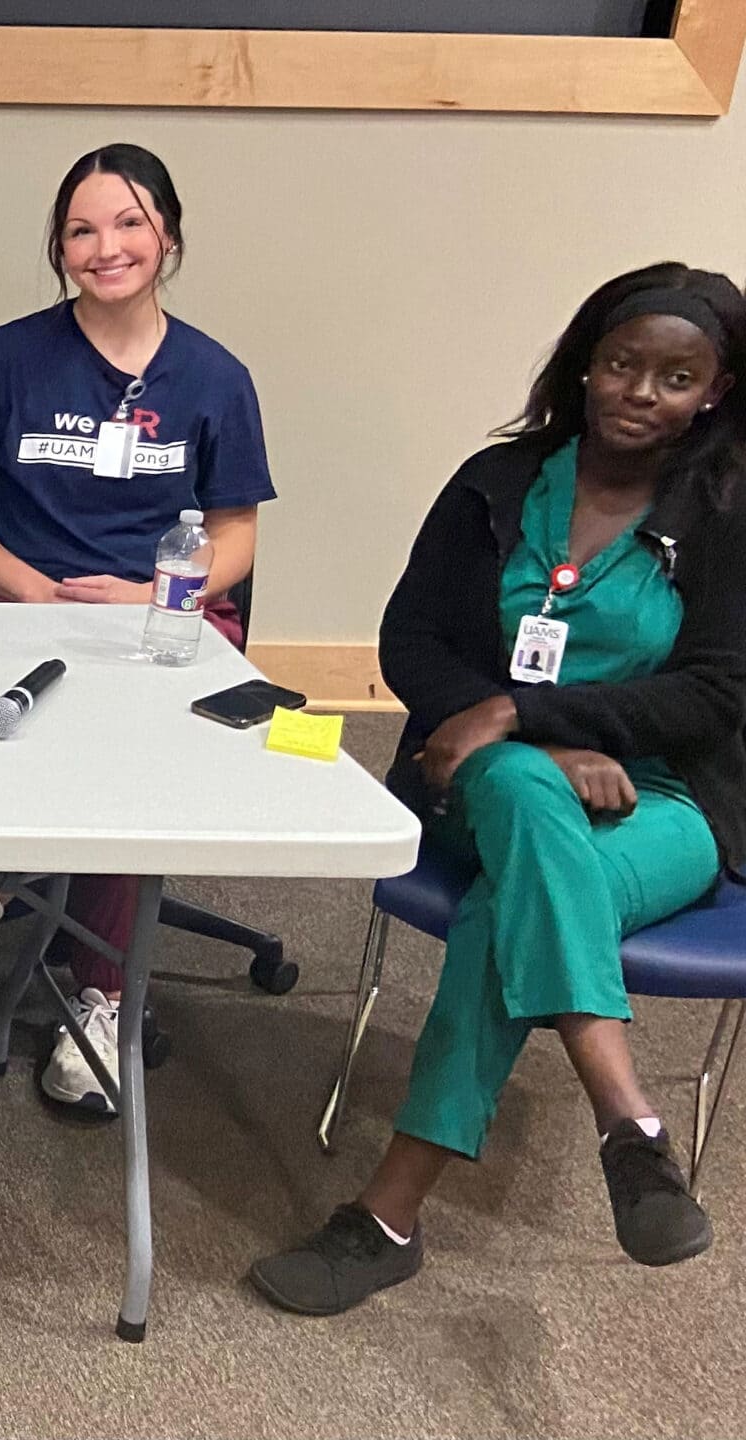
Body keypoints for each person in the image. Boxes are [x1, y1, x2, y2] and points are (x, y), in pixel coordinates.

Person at [251, 263, 746, 1315]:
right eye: (621, 363)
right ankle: (626, 1119)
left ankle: (384, 1221)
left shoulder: (725, 513)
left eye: (675, 376)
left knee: (506, 900)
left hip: (664, 806)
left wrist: (528, 716)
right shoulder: (501, 483)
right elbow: (412, 639)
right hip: (481, 782)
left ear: (713, 390)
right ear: (584, 364)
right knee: (524, 798)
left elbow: (715, 696)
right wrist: (531, 751)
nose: (639, 392)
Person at [0, 143, 275, 1112]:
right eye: (81, 229)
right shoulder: (8, 357)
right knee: (7, 714)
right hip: (27, 598)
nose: (105, 247)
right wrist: (25, 586)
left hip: (156, 614)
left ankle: (101, 994)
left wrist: (156, 598)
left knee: (124, 747)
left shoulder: (215, 376)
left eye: (129, 223)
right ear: (59, 248)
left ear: (169, 236)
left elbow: (234, 532)